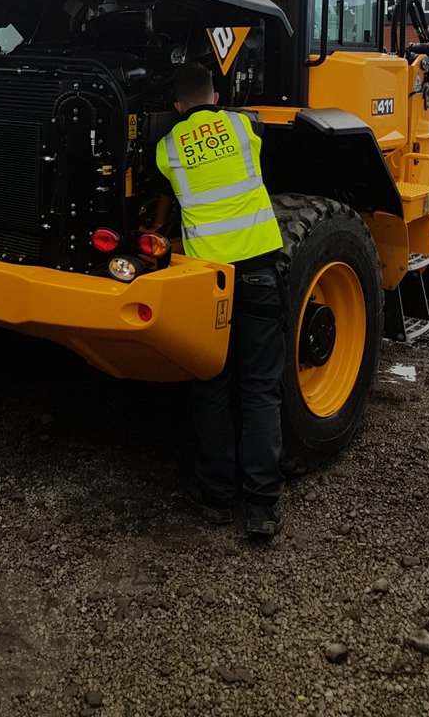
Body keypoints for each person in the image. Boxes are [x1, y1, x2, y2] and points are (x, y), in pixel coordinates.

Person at [155, 60, 285, 538]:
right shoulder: (241, 126)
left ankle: (215, 497)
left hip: (211, 282)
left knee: (211, 385)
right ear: (215, 96)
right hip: (259, 273)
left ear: (174, 106)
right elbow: (253, 130)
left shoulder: (167, 149)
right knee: (260, 388)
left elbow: (170, 183)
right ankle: (262, 508)